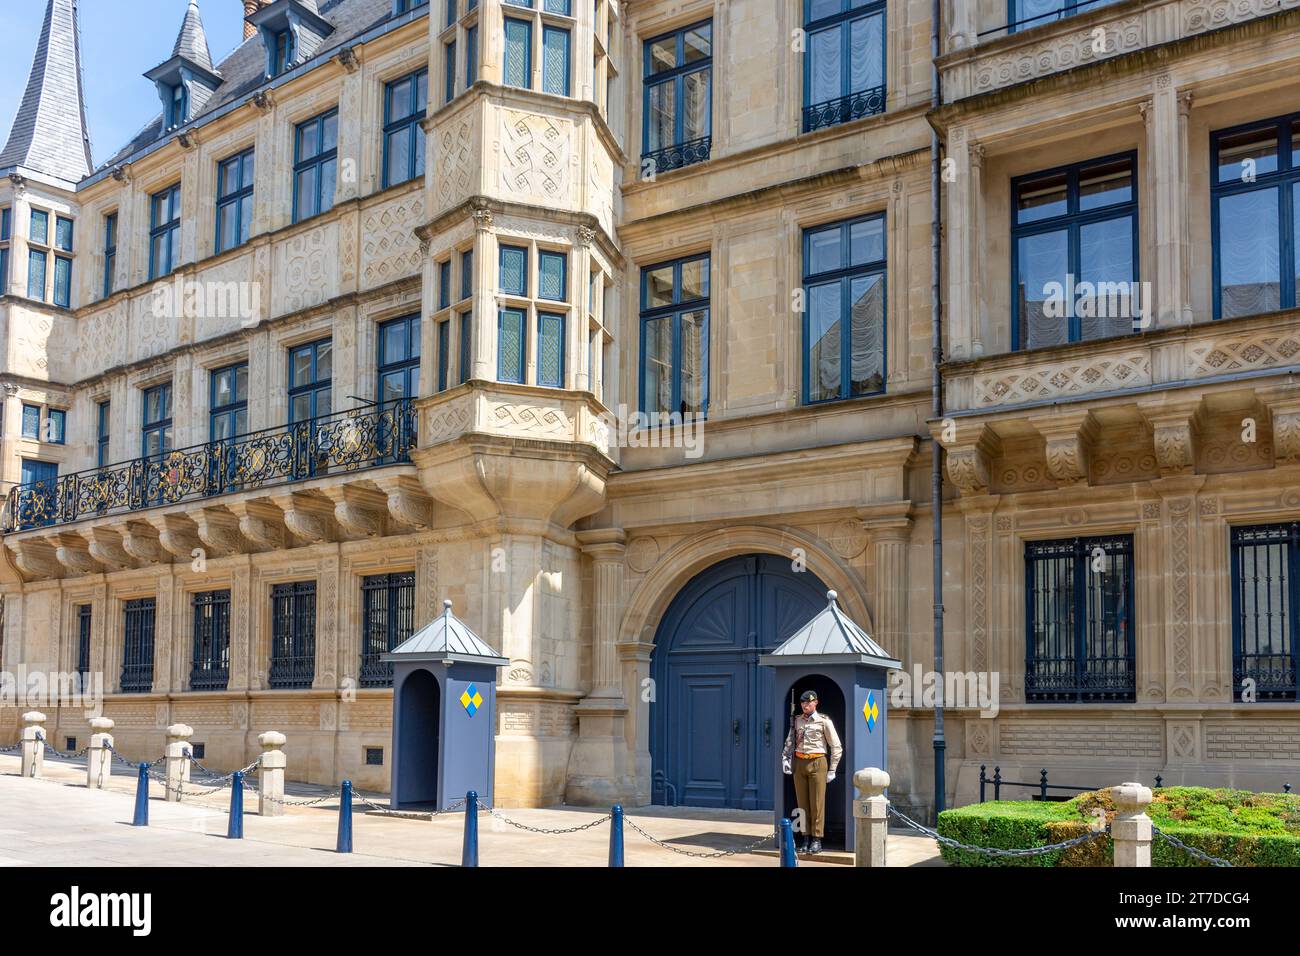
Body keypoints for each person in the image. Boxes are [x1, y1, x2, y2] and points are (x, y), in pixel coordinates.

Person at [781, 689, 842, 854]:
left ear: (816, 702)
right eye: (803, 702)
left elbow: (836, 746)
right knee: (802, 803)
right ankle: (805, 837)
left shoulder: (824, 721)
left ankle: (817, 839)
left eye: (808, 702)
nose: (805, 705)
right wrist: (785, 759)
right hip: (800, 762)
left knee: (817, 803)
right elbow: (790, 740)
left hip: (817, 762)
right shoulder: (797, 720)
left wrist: (832, 769)